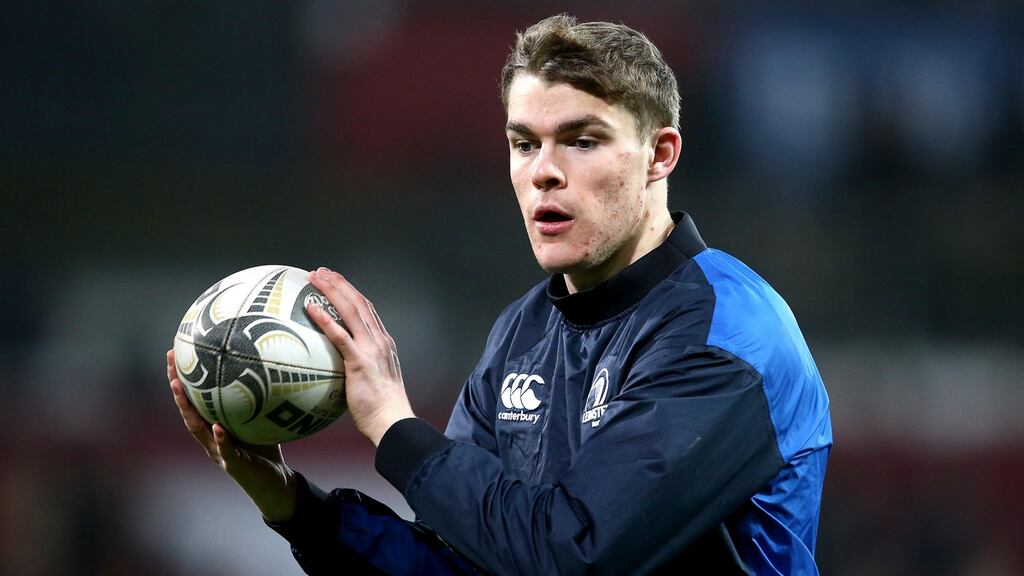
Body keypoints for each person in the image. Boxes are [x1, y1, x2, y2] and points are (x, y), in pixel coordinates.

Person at [167, 14, 832, 575]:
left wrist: (396, 431)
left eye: (581, 140)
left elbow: (570, 556)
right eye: (523, 143)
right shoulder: (524, 332)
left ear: (660, 154)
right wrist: (295, 508)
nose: (543, 172)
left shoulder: (729, 336)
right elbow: (470, 561)